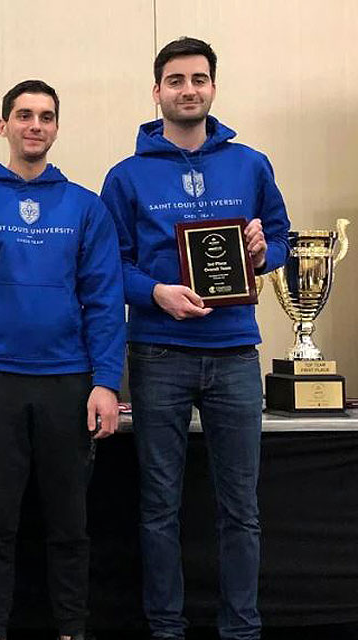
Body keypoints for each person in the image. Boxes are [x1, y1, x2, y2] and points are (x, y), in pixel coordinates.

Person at [100, 37, 291, 640]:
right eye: (176, 80)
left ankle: (242, 628)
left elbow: (282, 239)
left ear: (213, 87)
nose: (189, 90)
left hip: (236, 351)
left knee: (243, 509)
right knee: (160, 507)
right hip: (158, 353)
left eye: (199, 79)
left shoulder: (251, 163)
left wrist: (263, 254)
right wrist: (156, 293)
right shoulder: (125, 176)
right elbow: (111, 268)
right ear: (156, 91)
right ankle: (166, 628)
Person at [0, 80, 125, 640]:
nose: (34, 125)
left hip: (70, 382)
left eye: (45, 116)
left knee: (70, 523)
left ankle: (71, 628)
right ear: (4, 126)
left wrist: (107, 381)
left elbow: (104, 301)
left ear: (57, 128)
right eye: (23, 115)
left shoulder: (86, 208)